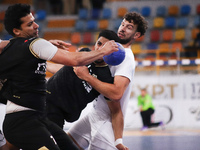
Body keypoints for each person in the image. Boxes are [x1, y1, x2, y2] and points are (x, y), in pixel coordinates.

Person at [0, 3, 118, 150]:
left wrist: (45, 48)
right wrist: (104, 51)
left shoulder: (17, 47)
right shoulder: (35, 45)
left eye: (34, 21)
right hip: (23, 121)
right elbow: (75, 59)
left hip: (37, 118)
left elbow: (18, 47)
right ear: (16, 30)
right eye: (30, 24)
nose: (36, 25)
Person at [67, 11, 148, 150]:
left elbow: (116, 94)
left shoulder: (126, 57)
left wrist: (87, 76)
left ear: (137, 35)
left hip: (105, 121)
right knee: (65, 144)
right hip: (94, 114)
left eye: (129, 27)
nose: (122, 28)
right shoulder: (111, 50)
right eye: (122, 24)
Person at [46, 30, 120, 129]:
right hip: (46, 99)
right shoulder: (84, 53)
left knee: (52, 142)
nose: (100, 48)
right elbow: (64, 69)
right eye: (99, 43)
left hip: (60, 113)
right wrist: (44, 65)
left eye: (105, 46)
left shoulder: (106, 77)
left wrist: (86, 76)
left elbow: (114, 98)